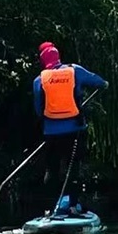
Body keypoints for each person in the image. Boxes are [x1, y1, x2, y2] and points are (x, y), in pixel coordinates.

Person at [33, 41, 107, 214]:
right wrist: (104, 84)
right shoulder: (74, 71)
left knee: (52, 169)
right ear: (58, 56)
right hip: (74, 129)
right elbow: (97, 81)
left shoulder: (39, 80)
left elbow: (38, 109)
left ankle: (49, 209)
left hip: (51, 132)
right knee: (73, 168)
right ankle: (73, 206)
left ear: (43, 61)